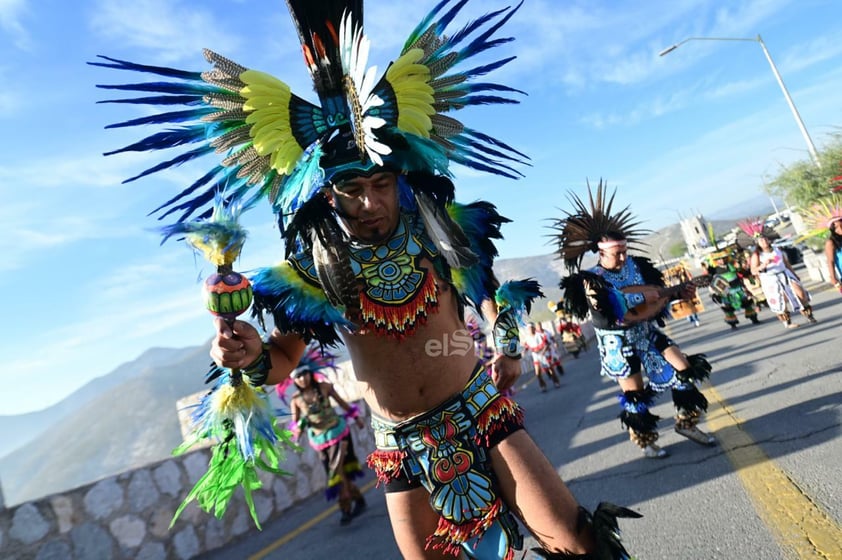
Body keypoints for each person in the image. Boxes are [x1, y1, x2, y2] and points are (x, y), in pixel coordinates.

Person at [95, 1, 639, 558]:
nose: (370, 202)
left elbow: (490, 300)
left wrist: (506, 348)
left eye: (380, 183)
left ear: (398, 176)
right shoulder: (316, 267)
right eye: (351, 190)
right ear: (327, 193)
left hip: (480, 410)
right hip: (398, 446)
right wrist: (251, 356)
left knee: (577, 543)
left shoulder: (442, 229)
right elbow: (283, 359)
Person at [553, 182, 717, 459]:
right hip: (619, 342)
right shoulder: (593, 280)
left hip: (647, 332)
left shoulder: (638, 267)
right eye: (618, 253)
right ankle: (645, 440)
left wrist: (679, 294)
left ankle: (686, 423)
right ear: (601, 253)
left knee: (684, 369)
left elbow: (656, 301)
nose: (623, 257)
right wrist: (630, 312)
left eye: (625, 251)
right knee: (635, 395)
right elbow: (606, 319)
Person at [283, 347, 366, 525]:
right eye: (298, 376)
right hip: (320, 441)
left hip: (338, 432)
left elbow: (343, 403)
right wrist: (297, 432)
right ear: (293, 380)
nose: (302, 379)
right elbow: (295, 423)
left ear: (310, 373)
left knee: (337, 471)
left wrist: (356, 418)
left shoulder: (324, 387)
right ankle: (358, 499)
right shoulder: (296, 400)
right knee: (336, 472)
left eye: (304, 374)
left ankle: (345, 509)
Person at [740, 221, 816, 328]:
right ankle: (787, 322)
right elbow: (753, 270)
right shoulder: (757, 255)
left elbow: (786, 263)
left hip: (785, 274)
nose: (764, 241)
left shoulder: (777, 249)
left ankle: (809, 316)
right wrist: (764, 264)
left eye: (765, 239)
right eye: (761, 240)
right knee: (780, 300)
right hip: (770, 279)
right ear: (757, 243)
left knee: (800, 293)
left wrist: (794, 274)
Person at [524, 323, 562, 392]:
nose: (530, 330)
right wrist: (523, 352)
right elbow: (526, 347)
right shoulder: (527, 338)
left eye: (532, 328)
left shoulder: (540, 335)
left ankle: (556, 382)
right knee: (538, 373)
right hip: (536, 356)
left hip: (544, 354)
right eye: (529, 329)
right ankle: (543, 386)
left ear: (534, 328)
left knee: (551, 370)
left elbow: (547, 344)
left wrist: (543, 352)